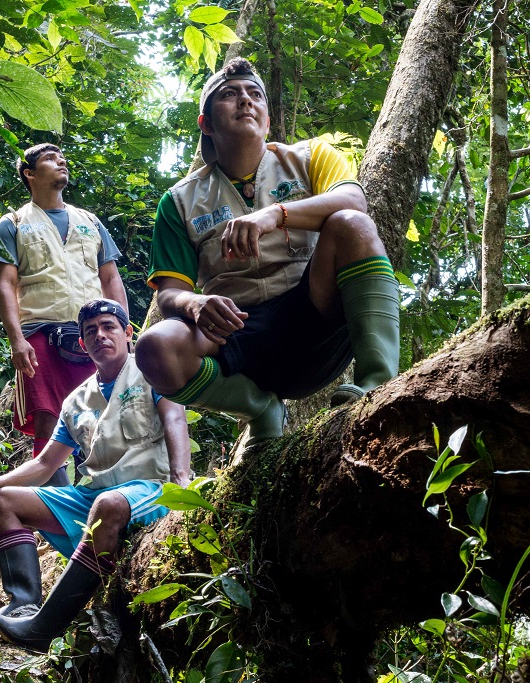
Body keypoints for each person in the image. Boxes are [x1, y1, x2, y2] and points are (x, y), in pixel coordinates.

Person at [136, 58, 400, 444]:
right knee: (155, 347)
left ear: (267, 120)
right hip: (237, 335)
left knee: (351, 224)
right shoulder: (178, 201)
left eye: (254, 94)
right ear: (206, 124)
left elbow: (353, 201)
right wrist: (194, 304)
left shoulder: (311, 157)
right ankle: (260, 410)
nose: (245, 101)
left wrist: (274, 215)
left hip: (314, 316)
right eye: (229, 95)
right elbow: (170, 292)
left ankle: (379, 383)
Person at [0, 299, 191, 652]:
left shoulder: (151, 371)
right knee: (6, 501)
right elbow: (45, 465)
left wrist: (182, 483)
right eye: (91, 331)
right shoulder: (76, 400)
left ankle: (45, 627)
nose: (100, 335)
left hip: (150, 488)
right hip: (97, 499)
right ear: (83, 344)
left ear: (128, 333)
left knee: (107, 504)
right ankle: (23, 603)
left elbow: (175, 420)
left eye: (108, 327)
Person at [0, 144, 129, 486]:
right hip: (40, 334)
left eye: (62, 158)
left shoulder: (90, 222)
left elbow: (110, 278)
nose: (61, 162)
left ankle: (104, 500)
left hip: (92, 333)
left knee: (104, 415)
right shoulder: (13, 224)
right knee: (48, 420)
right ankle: (56, 508)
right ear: (30, 174)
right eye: (50, 159)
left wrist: (123, 330)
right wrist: (17, 341)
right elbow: (5, 284)